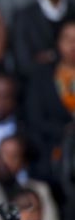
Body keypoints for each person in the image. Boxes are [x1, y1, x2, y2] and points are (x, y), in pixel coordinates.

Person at [12, 0, 75, 83]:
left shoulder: (73, 11)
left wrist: (50, 56)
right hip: (36, 85)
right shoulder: (24, 14)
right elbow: (23, 63)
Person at [26, 19, 75, 184]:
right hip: (49, 158)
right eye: (67, 38)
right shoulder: (41, 75)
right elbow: (34, 119)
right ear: (57, 41)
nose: (72, 45)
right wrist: (65, 131)